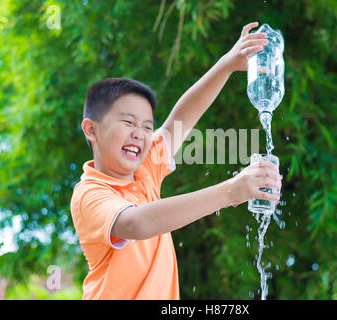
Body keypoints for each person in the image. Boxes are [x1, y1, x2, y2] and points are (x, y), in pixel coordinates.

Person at [70, 22, 282, 299]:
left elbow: (178, 122)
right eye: (127, 122)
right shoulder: (90, 194)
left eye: (147, 126)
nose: (140, 133)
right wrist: (231, 191)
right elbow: (136, 224)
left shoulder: (144, 170)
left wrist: (228, 64)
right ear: (91, 129)